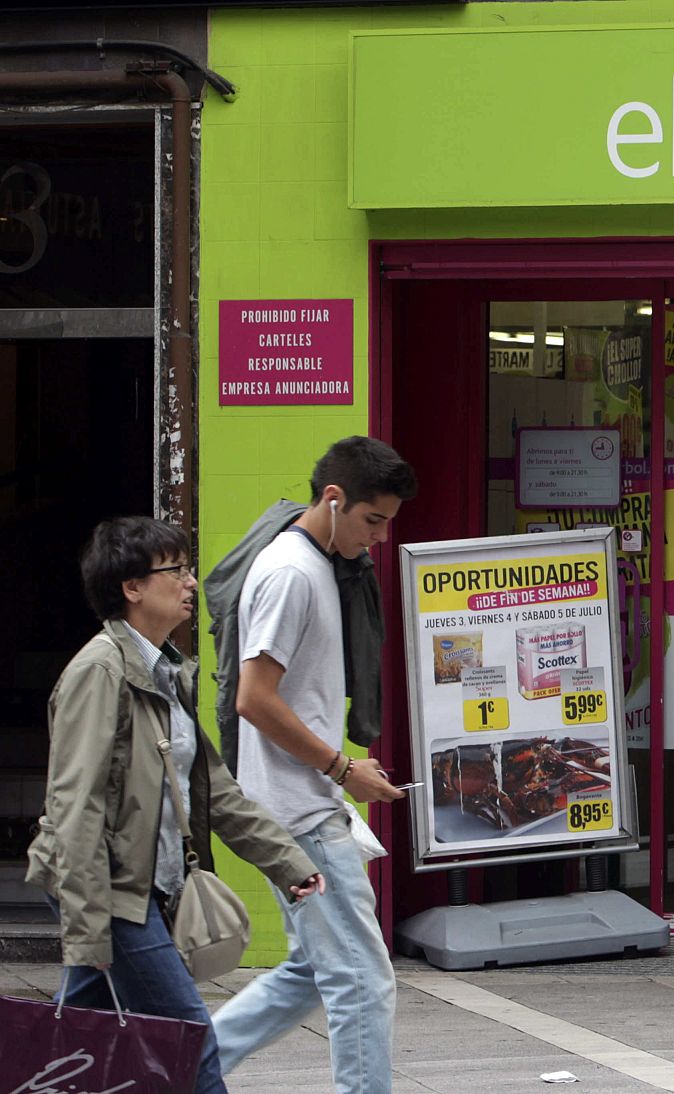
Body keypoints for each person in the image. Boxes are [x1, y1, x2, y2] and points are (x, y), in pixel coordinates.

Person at [26, 517, 323, 1094]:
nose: (189, 582)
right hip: (116, 893)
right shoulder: (100, 672)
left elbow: (217, 792)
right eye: (175, 570)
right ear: (131, 588)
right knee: (190, 1042)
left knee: (71, 1047)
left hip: (153, 889)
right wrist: (88, 929)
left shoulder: (164, 673)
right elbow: (75, 807)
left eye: (186, 568)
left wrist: (286, 861)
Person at [210, 436, 417, 1094]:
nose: (378, 540)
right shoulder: (292, 573)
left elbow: (289, 698)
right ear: (333, 500)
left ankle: (182, 1065)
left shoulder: (318, 565)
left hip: (301, 802)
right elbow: (254, 699)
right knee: (362, 979)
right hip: (301, 812)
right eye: (372, 521)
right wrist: (340, 768)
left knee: (315, 972)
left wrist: (343, 762)